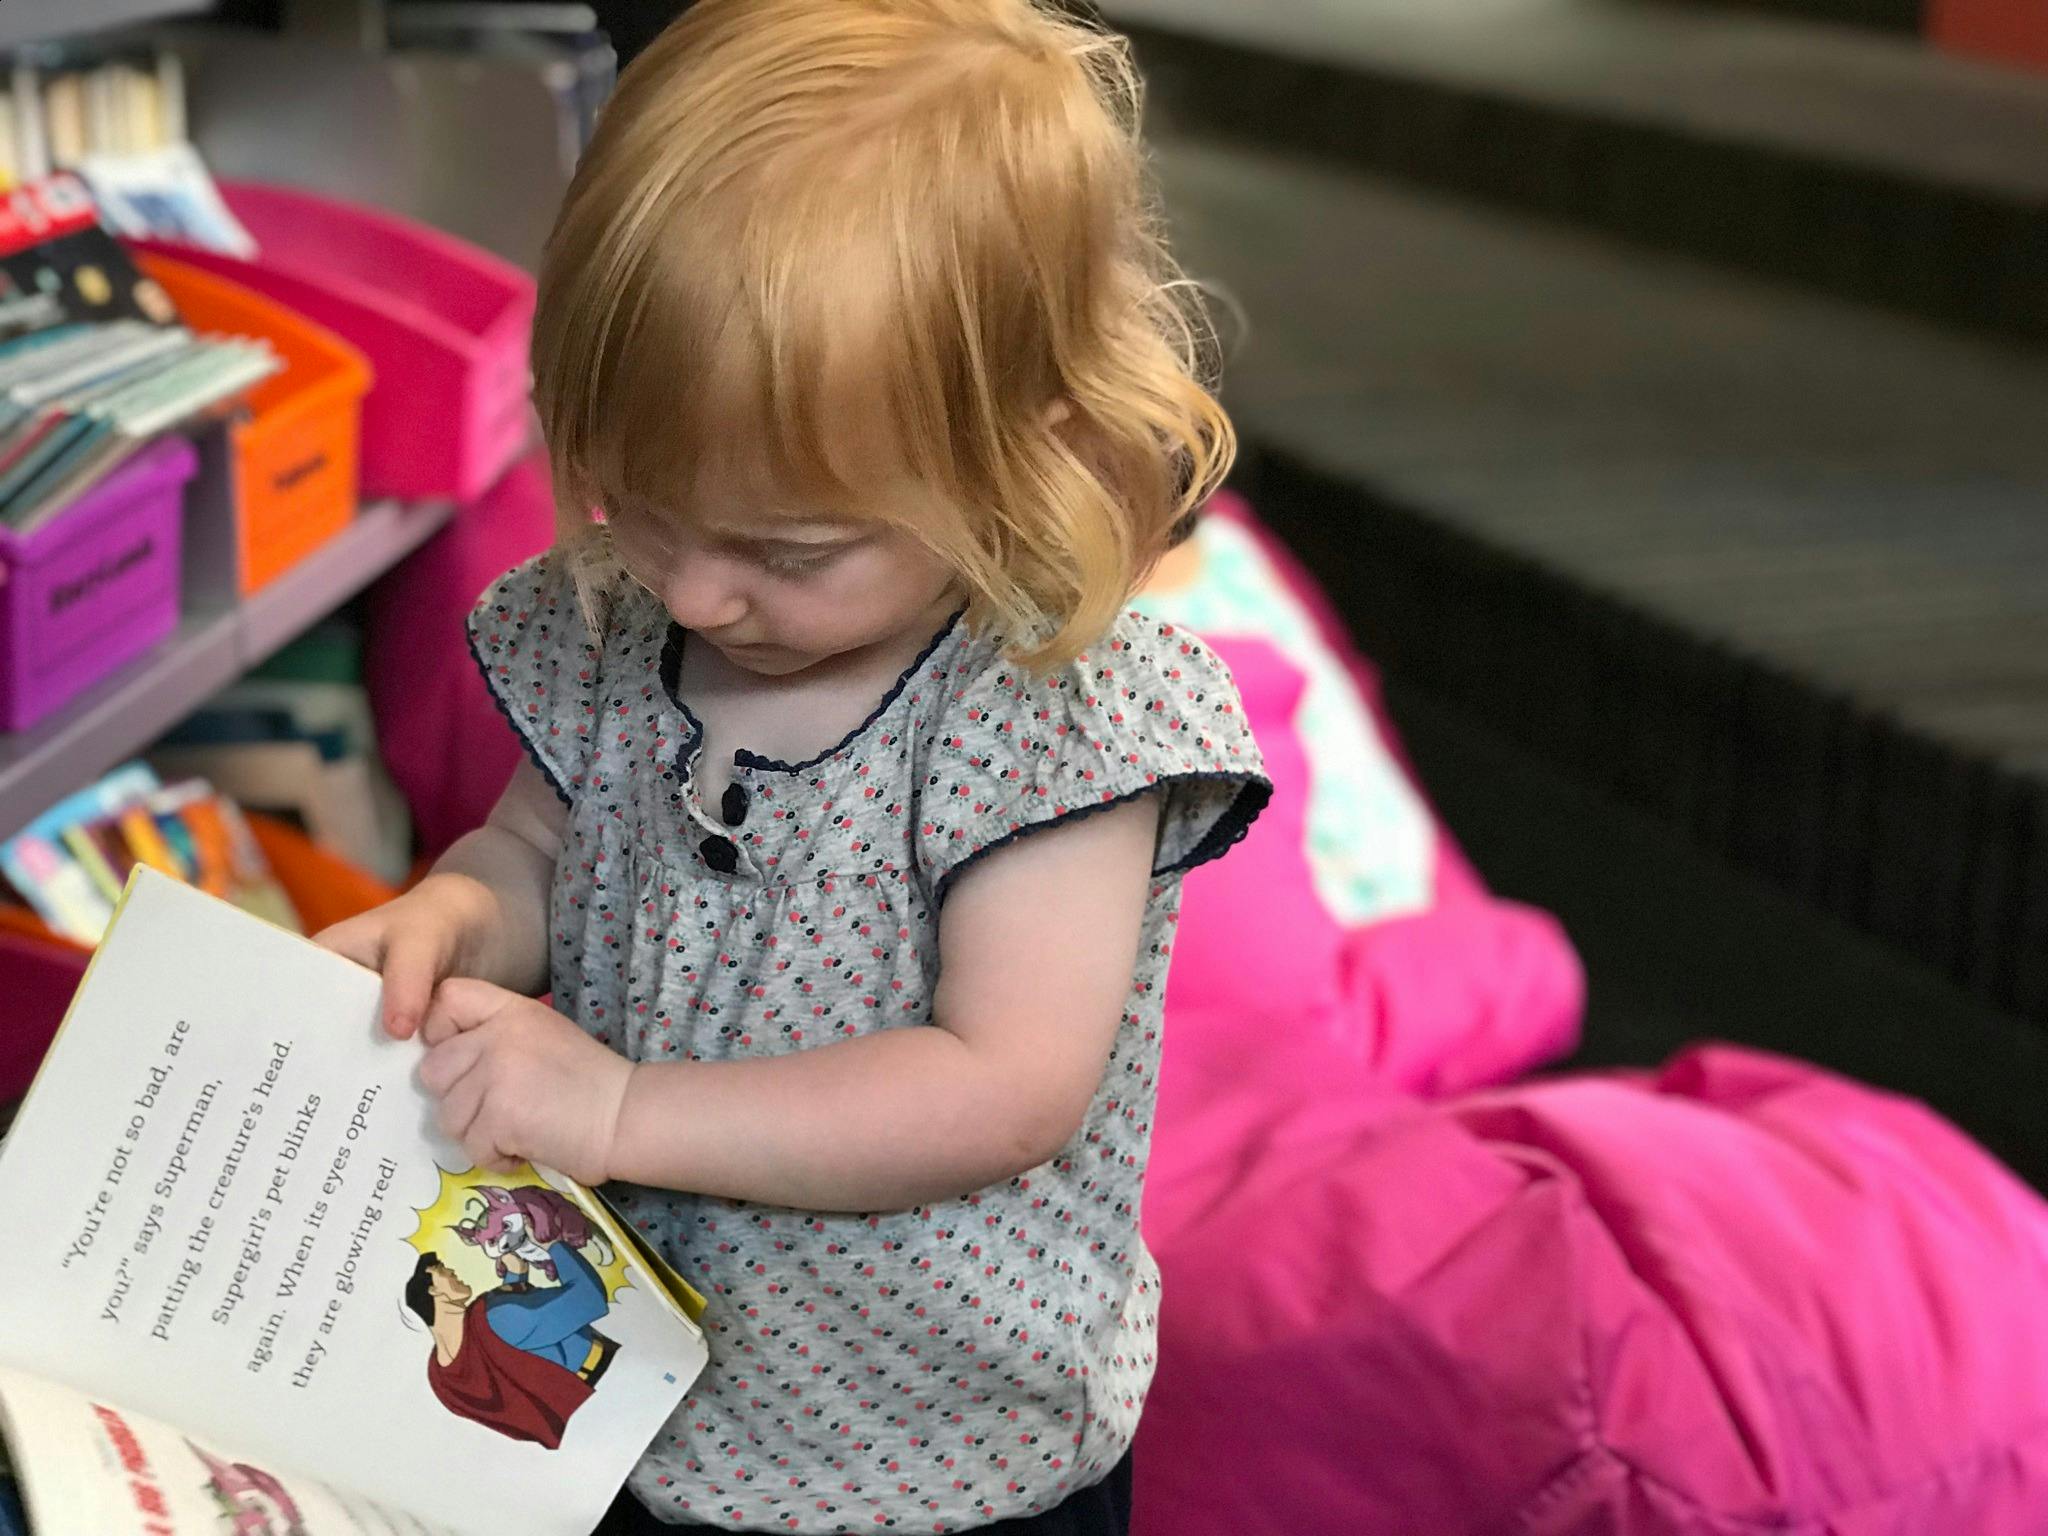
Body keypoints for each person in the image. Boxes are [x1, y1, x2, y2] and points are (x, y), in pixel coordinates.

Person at [319, 1, 1269, 1529]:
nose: (695, 594)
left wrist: (626, 1112)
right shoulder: (620, 634)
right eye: (638, 502)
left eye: (787, 550)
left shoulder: (1041, 712)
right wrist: (455, 914)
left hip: (940, 1463)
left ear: (1013, 452)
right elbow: (537, 852)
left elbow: (1002, 1087)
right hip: (638, 1399)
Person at [407, 1242, 621, 1448]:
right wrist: (552, 1245)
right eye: (441, 1269)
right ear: (434, 1291)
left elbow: (504, 1361)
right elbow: (589, 1298)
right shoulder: (496, 1318)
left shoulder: (439, 1378)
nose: (451, 1271)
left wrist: (516, 1276)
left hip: (577, 1428)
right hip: (612, 1380)